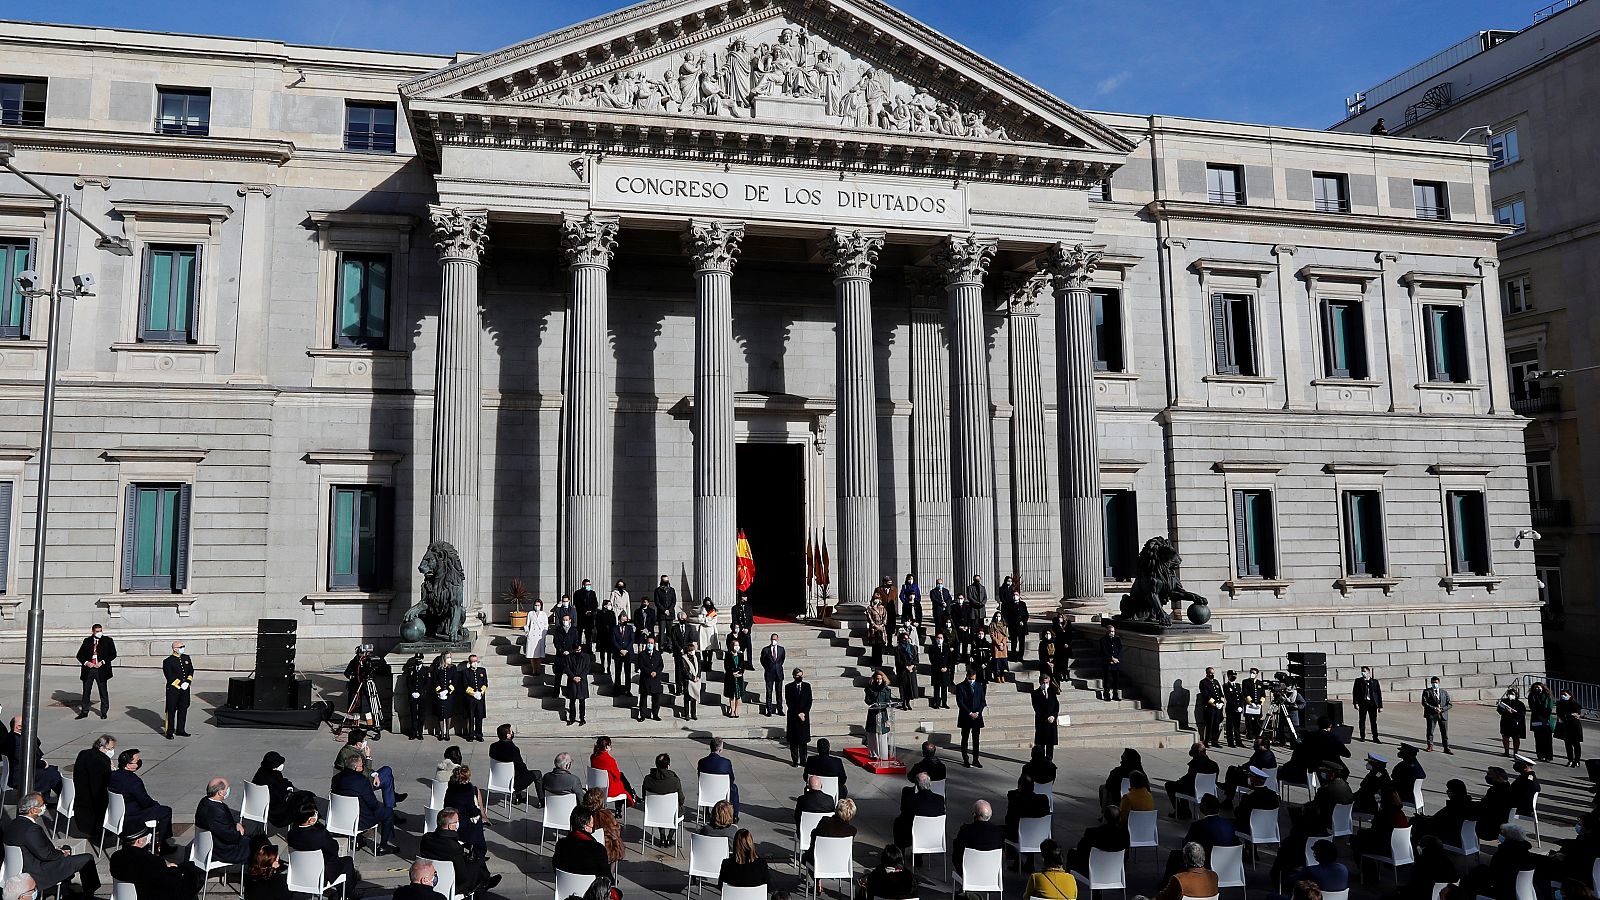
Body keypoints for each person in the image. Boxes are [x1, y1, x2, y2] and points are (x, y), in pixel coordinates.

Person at [3, 792, 101, 897]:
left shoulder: (13, 824)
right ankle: (89, 893)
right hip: (38, 871)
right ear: (33, 810)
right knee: (87, 858)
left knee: (66, 850)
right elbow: (46, 855)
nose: (44, 807)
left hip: (23, 865)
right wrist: (61, 853)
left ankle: (66, 882)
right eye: (41, 805)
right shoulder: (31, 829)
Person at [420, 808, 499, 897]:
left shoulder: (426, 838)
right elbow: (462, 878)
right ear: (450, 826)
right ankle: (485, 882)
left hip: (428, 877)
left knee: (476, 865)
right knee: (477, 865)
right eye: (456, 821)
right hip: (451, 884)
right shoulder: (454, 848)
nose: (458, 823)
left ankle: (485, 882)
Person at [109, 823, 202, 900]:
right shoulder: (148, 860)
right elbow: (166, 881)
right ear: (139, 841)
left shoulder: (115, 857)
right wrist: (176, 869)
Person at [109, 748, 176, 852]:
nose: (139, 763)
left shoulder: (113, 775)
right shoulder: (134, 781)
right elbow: (145, 801)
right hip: (132, 816)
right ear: (128, 765)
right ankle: (161, 845)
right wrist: (156, 805)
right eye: (136, 762)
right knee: (165, 811)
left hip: (116, 814)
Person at [286, 802, 360, 892]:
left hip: (300, 873)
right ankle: (347, 895)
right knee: (347, 861)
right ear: (310, 820)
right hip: (320, 874)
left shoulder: (291, 834)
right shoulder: (320, 834)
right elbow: (334, 849)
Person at [331, 756, 397, 855]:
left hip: (340, 819)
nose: (363, 768)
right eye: (362, 766)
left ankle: (359, 839)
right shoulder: (362, 781)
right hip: (360, 821)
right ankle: (383, 846)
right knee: (388, 812)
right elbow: (373, 804)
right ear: (356, 768)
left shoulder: (336, 778)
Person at [195, 777, 251, 865]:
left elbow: (222, 827)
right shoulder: (216, 812)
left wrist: (235, 824)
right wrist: (241, 832)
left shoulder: (204, 802)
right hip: (223, 851)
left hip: (214, 844)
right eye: (227, 788)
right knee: (257, 843)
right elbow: (231, 836)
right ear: (220, 792)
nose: (228, 790)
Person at [72, 734, 115, 843]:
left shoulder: (83, 753)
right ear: (102, 747)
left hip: (80, 795)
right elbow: (105, 782)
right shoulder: (103, 761)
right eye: (110, 748)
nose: (112, 751)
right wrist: (112, 770)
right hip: (94, 803)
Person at [1165, 742, 1221, 819]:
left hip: (1195, 791)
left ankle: (1181, 811)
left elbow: (1190, 779)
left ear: (1197, 753)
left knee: (1171, 785)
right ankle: (1184, 810)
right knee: (1182, 785)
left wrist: (1180, 781)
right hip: (1209, 791)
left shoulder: (1196, 763)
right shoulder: (1214, 764)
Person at [1415, 778, 1478, 845]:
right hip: (1462, 837)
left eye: (1449, 791)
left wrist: (1424, 819)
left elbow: (1439, 821)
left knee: (1417, 823)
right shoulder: (1468, 804)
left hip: (1451, 837)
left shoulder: (1454, 807)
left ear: (1455, 792)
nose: (1448, 792)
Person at [1071, 804, 1131, 874]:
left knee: (1071, 853)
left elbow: (1081, 850)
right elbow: (1126, 856)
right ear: (1119, 819)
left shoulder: (1092, 833)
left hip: (1093, 872)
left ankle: (1067, 881)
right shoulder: (1124, 835)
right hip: (1115, 871)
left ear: (1104, 819)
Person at [443, 765, 488, 858]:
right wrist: (478, 813)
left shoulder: (450, 788)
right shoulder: (467, 790)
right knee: (477, 823)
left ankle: (472, 848)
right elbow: (472, 810)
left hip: (449, 818)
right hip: (460, 823)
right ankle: (479, 853)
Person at [554, 807, 611, 878]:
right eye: (592, 823)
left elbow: (556, 869)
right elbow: (607, 877)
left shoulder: (561, 845)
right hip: (591, 888)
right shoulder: (598, 849)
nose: (593, 826)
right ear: (586, 826)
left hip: (565, 887)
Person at [892, 772, 945, 848]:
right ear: (930, 784)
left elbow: (904, 814)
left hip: (916, 836)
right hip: (934, 837)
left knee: (898, 822)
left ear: (917, 786)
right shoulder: (940, 799)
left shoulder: (911, 799)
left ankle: (900, 851)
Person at [488, 724, 539, 803]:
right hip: (513, 782)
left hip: (497, 780)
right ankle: (542, 801)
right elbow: (521, 767)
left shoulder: (493, 747)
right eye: (511, 731)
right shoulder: (513, 749)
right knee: (537, 774)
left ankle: (518, 797)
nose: (513, 733)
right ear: (508, 735)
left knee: (515, 771)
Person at [76, 624, 117, 720]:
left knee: (103, 691)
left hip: (101, 669)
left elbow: (113, 654)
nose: (99, 633)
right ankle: (84, 711)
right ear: (93, 631)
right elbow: (79, 655)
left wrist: (102, 662)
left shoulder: (107, 641)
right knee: (86, 690)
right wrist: (86, 663)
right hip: (89, 669)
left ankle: (104, 711)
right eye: (97, 631)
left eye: (100, 631)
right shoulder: (87, 641)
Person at [1221, 735, 1277, 804]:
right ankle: (1227, 789)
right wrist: (1242, 767)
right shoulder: (1262, 753)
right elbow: (1249, 764)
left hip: (1257, 781)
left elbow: (1252, 768)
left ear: (1265, 746)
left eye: (1257, 745)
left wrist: (1242, 770)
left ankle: (1228, 798)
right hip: (1260, 779)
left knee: (1233, 776)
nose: (1254, 746)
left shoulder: (1264, 756)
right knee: (1232, 769)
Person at [641, 754, 683, 847]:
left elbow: (644, 797)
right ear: (668, 766)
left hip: (654, 813)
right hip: (671, 814)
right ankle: (669, 838)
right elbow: (681, 799)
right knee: (678, 810)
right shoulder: (675, 781)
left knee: (660, 810)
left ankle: (662, 837)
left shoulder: (648, 779)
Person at [1153, 842, 1218, 900]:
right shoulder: (1214, 876)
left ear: (1185, 859)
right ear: (1203, 857)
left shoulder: (1179, 879)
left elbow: (1164, 897)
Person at [1489, 823, 1537, 900]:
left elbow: (1492, 876)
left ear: (1508, 838)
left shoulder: (1501, 855)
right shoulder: (1528, 855)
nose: (1499, 835)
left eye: (1502, 834)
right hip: (1525, 894)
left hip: (1505, 893)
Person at [342, 645, 384, 729]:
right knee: (355, 709)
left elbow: (373, 671)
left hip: (366, 688)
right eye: (361, 653)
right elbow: (347, 672)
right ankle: (356, 725)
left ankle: (371, 724)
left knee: (367, 707)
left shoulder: (368, 661)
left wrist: (368, 671)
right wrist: (352, 677)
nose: (363, 655)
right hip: (355, 687)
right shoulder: (354, 661)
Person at [952, 799, 1003, 866]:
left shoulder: (966, 830)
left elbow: (957, 853)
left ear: (974, 814)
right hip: (991, 870)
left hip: (969, 871)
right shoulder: (998, 831)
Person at [698, 738, 740, 818]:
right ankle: (735, 816)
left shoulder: (702, 762)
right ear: (720, 750)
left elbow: (700, 778)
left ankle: (706, 812)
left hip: (706, 792)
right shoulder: (726, 762)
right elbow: (731, 779)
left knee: (705, 786)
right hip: (722, 792)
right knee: (734, 788)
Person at [161, 641, 195, 740]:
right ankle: (169, 731)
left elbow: (190, 670)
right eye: (181, 647)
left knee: (183, 708)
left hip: (185, 689)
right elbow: (169, 676)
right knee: (171, 710)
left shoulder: (186, 658)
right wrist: (180, 684)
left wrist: (188, 682)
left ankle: (181, 729)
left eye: (183, 646)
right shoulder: (168, 661)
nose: (182, 648)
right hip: (173, 689)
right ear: (174, 648)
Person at [1232, 767, 1280, 837]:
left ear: (1253, 779)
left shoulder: (1249, 796)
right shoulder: (1274, 795)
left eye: (1249, 776)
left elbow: (1241, 814)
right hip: (1269, 830)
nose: (1248, 778)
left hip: (1250, 829)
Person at [1005, 773, 1051, 845]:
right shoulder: (1043, 799)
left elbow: (1008, 821)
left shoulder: (1016, 802)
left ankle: (1012, 855)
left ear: (1020, 787)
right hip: (1040, 837)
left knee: (1000, 831)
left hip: (1020, 838)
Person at [590, 736, 636, 807]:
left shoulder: (593, 757)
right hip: (608, 789)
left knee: (621, 776)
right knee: (621, 781)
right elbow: (617, 776)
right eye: (609, 745)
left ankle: (632, 794)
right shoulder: (610, 760)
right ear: (606, 747)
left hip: (596, 785)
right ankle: (631, 796)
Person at [956, 668, 987, 768]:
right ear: (968, 676)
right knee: (965, 738)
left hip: (977, 716)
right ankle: (965, 759)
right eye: (971, 676)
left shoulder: (979, 685)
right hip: (966, 716)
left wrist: (978, 712)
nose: (973, 678)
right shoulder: (961, 686)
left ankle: (975, 759)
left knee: (976, 739)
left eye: (974, 676)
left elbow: (983, 701)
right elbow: (960, 702)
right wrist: (970, 713)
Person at [1478, 766, 1515, 842]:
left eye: (1490, 774)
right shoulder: (1508, 788)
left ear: (1500, 777)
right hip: (1498, 825)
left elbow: (1485, 807)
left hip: (1490, 828)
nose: (1487, 777)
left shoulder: (1496, 791)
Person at [864, 670, 894, 760]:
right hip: (873, 713)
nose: (878, 681)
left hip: (883, 713)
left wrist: (888, 703)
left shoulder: (886, 689)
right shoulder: (869, 688)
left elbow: (888, 700)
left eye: (880, 679)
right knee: (872, 734)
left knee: (883, 734)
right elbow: (867, 700)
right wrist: (873, 703)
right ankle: (873, 754)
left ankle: (883, 754)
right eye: (877, 679)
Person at [785, 668, 813, 766]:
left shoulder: (807, 686)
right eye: (797, 676)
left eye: (801, 675)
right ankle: (795, 760)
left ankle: (803, 760)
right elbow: (789, 703)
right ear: (793, 676)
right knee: (794, 741)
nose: (799, 677)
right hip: (793, 717)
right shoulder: (788, 687)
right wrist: (798, 713)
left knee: (803, 741)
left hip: (804, 717)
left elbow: (809, 701)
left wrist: (804, 713)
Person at [636, 635, 665, 722]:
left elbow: (661, 665)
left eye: (651, 643)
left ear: (654, 644)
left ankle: (655, 714)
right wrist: (649, 672)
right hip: (645, 679)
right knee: (643, 698)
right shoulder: (642, 654)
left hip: (655, 679)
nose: (650, 644)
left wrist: (656, 672)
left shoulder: (658, 654)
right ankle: (643, 715)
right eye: (648, 643)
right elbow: (641, 665)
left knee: (656, 699)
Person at [459, 653, 488, 742]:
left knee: (479, 717)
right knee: (471, 717)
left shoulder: (482, 670)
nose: (475, 663)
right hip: (471, 699)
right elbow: (465, 685)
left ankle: (479, 734)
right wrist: (473, 693)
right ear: (469, 662)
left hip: (480, 698)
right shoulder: (465, 672)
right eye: (473, 661)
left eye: (476, 661)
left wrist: (481, 692)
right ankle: (471, 734)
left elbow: (485, 683)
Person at [401, 652, 429, 740]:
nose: (418, 661)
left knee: (421, 714)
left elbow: (427, 683)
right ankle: (413, 732)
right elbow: (408, 682)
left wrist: (420, 692)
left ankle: (420, 733)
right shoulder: (411, 670)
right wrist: (413, 692)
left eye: (420, 660)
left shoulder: (426, 670)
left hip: (422, 695)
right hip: (412, 695)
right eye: (417, 660)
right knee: (413, 714)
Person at [432, 652, 460, 740]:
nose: (450, 659)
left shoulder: (453, 668)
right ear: (443, 658)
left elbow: (455, 681)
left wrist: (448, 691)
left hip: (449, 695)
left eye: (450, 657)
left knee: (448, 713)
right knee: (440, 714)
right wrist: (439, 691)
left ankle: (447, 732)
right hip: (440, 695)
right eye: (448, 657)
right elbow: (435, 680)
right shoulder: (437, 668)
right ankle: (441, 732)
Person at [562, 643, 592, 726]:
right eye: (576, 650)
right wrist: (573, 677)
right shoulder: (569, 657)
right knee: (572, 701)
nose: (578, 651)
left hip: (582, 681)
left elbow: (587, 668)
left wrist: (580, 677)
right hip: (572, 681)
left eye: (579, 650)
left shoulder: (586, 656)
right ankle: (572, 718)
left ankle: (582, 718)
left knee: (582, 701)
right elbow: (566, 668)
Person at [1422, 676, 1453, 754]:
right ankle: (1430, 745)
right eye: (1433, 682)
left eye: (1436, 682)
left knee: (1444, 732)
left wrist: (1442, 709)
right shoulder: (1427, 692)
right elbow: (1424, 703)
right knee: (1430, 731)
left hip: (1442, 714)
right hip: (1431, 714)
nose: (1434, 684)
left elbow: (1449, 704)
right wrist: (1434, 708)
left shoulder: (1444, 692)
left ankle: (1446, 747)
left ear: (1439, 683)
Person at [1033, 674, 1061, 758]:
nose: (1045, 684)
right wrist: (1046, 717)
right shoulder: (1035, 693)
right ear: (1040, 682)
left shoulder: (1052, 692)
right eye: (1043, 682)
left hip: (1051, 721)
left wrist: (1053, 716)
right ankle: (1040, 758)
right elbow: (1037, 708)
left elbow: (1056, 705)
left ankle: (1049, 758)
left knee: (1050, 742)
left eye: (1047, 682)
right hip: (1041, 721)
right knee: (1041, 742)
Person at [760, 633, 787, 716]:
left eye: (775, 639)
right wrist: (768, 667)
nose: (773, 641)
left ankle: (780, 709)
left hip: (778, 673)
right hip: (769, 673)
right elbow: (762, 660)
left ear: (777, 639)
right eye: (772, 639)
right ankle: (769, 710)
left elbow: (782, 659)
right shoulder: (765, 650)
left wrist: (777, 667)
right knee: (769, 692)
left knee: (779, 692)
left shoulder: (781, 649)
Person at [1557, 687, 1584, 767]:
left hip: (1574, 726)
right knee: (1568, 744)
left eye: (1565, 694)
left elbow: (1576, 714)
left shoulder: (1574, 704)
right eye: (1562, 694)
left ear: (1570, 695)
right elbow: (1560, 714)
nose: (1563, 696)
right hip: (1565, 725)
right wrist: (1569, 715)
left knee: (1576, 744)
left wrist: (1568, 715)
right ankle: (1570, 760)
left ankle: (1577, 760)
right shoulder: (1560, 704)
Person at [1197, 667, 1224, 747]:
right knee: (1210, 724)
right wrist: (1215, 703)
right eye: (1211, 673)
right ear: (1207, 673)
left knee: (1216, 724)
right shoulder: (1203, 682)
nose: (1212, 675)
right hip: (1210, 707)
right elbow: (1206, 695)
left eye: (1213, 673)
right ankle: (1206, 741)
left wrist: (1221, 702)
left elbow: (1220, 693)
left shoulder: (1215, 682)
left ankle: (1215, 741)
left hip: (1218, 707)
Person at [928, 631, 956, 709]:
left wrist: (946, 667)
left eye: (941, 638)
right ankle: (936, 703)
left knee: (944, 688)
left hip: (945, 670)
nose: (939, 639)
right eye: (938, 638)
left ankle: (944, 703)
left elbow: (950, 658)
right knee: (937, 688)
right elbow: (932, 659)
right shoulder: (932, 647)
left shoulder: (946, 647)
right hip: (937, 670)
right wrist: (940, 667)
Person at [1393, 743, 1426, 808]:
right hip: (1413, 795)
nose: (1400, 753)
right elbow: (1423, 775)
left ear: (1408, 754)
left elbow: (1394, 776)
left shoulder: (1405, 765)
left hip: (1405, 795)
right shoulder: (1414, 763)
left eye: (1402, 752)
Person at [894, 629, 920, 710]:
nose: (906, 640)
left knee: (910, 686)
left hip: (911, 670)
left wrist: (911, 666)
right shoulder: (898, 648)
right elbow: (898, 661)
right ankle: (903, 703)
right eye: (904, 638)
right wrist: (906, 666)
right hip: (902, 670)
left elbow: (915, 658)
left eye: (907, 638)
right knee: (903, 687)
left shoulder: (912, 647)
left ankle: (908, 702)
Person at [610, 613, 635, 696]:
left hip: (627, 653)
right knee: (618, 672)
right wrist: (620, 650)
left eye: (625, 620)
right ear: (619, 620)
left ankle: (627, 690)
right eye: (622, 619)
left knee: (627, 673)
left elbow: (632, 640)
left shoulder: (630, 628)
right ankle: (617, 690)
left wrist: (626, 650)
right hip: (618, 653)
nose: (624, 621)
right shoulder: (614, 628)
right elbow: (613, 640)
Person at [1498, 687, 1527, 757]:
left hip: (1516, 722)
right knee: (1505, 737)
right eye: (1509, 694)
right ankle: (1506, 752)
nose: (1511, 695)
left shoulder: (1520, 703)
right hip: (1506, 721)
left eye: (1513, 694)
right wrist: (1505, 711)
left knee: (1516, 738)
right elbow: (1499, 710)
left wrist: (1513, 713)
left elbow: (1522, 713)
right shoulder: (1504, 701)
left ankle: (1515, 753)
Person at [522, 599, 549, 675]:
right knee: (532, 654)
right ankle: (534, 670)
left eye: (538, 605)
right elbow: (527, 625)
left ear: (541, 606)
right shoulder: (530, 613)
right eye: (536, 605)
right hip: (532, 636)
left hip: (540, 637)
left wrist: (544, 635)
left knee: (539, 654)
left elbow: (545, 625)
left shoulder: (543, 614)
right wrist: (527, 634)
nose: (537, 607)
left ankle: (538, 669)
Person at [724, 632, 747, 717]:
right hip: (731, 677)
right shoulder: (728, 655)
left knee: (738, 695)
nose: (737, 647)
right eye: (735, 645)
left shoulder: (741, 655)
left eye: (738, 645)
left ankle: (737, 710)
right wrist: (732, 673)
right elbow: (726, 666)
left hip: (739, 677)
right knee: (731, 695)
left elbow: (743, 665)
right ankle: (732, 709)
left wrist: (740, 672)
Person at [573, 578, 600, 654]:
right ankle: (578, 648)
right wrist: (585, 611)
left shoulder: (592, 593)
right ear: (583, 585)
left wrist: (590, 611)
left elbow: (595, 604)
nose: (588, 586)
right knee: (579, 634)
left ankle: (589, 649)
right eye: (587, 585)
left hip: (589, 617)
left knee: (589, 634)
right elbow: (577, 604)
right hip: (581, 616)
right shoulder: (578, 593)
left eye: (589, 585)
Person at [679, 643, 703, 721]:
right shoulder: (683, 659)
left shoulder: (696, 658)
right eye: (691, 650)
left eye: (693, 650)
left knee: (694, 698)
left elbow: (699, 668)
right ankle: (686, 714)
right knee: (687, 698)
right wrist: (692, 677)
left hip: (696, 680)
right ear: (688, 651)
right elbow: (685, 670)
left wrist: (698, 676)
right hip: (688, 681)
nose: (693, 652)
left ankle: (693, 713)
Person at [1241, 668, 1267, 739]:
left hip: (1257, 705)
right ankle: (1249, 734)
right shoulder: (1246, 682)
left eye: (1254, 673)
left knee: (1257, 720)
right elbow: (1245, 693)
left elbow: (1263, 694)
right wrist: (1250, 702)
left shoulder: (1260, 683)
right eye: (1251, 672)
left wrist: (1260, 703)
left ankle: (1258, 734)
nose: (1252, 674)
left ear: (1257, 674)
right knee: (1248, 721)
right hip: (1249, 705)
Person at [1100, 625, 1123, 701]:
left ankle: (1115, 694)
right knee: (1107, 679)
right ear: (1107, 632)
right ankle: (1106, 694)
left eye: (1113, 631)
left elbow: (1120, 649)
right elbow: (1104, 651)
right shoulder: (1103, 640)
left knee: (1116, 679)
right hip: (1108, 662)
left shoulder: (1117, 639)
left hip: (1116, 662)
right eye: (1110, 631)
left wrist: (1116, 659)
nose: (1112, 633)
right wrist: (1111, 658)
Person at [1222, 670, 1244, 748]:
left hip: (1238, 709)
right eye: (1232, 675)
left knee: (1237, 726)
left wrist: (1241, 706)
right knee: (1230, 726)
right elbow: (1229, 698)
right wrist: (1236, 707)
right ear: (1228, 676)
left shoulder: (1238, 685)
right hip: (1231, 709)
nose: (1234, 677)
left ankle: (1238, 741)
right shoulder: (1226, 686)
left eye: (1235, 675)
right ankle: (1230, 742)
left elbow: (1241, 697)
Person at [866, 597, 889, 664]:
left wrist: (882, 625)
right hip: (874, 629)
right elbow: (869, 618)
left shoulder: (882, 608)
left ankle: (879, 661)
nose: (876, 600)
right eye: (875, 599)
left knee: (880, 645)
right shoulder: (870, 608)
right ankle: (874, 661)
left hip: (881, 628)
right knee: (874, 646)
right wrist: (875, 625)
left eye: (878, 599)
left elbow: (885, 617)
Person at [989, 616, 1011, 683]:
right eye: (996, 616)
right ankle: (997, 676)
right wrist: (998, 643)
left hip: (1003, 647)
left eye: (999, 616)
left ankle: (1002, 675)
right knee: (997, 663)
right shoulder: (992, 625)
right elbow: (992, 635)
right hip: (996, 646)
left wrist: (1002, 643)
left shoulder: (1004, 625)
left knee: (1003, 663)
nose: (997, 618)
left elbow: (1006, 636)